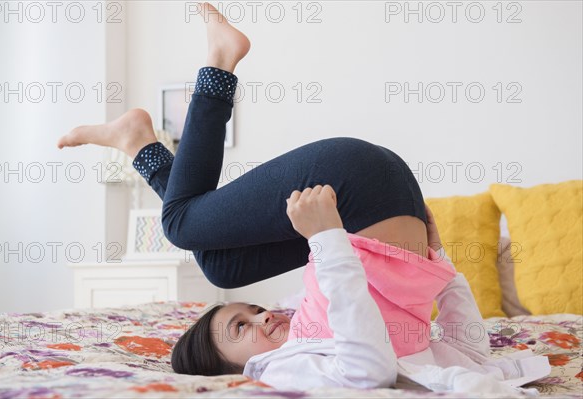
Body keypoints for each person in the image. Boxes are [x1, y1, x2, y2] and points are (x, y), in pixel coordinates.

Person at [57, 3, 551, 394]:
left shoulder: (297, 358)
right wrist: (437, 258)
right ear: (241, 365)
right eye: (243, 327)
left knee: (201, 249)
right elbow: (456, 353)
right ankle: (146, 135)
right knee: (207, 254)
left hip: (358, 189)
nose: (263, 314)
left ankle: (192, 90)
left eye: (246, 312)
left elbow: (368, 357)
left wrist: (330, 238)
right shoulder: (299, 360)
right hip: (371, 190)